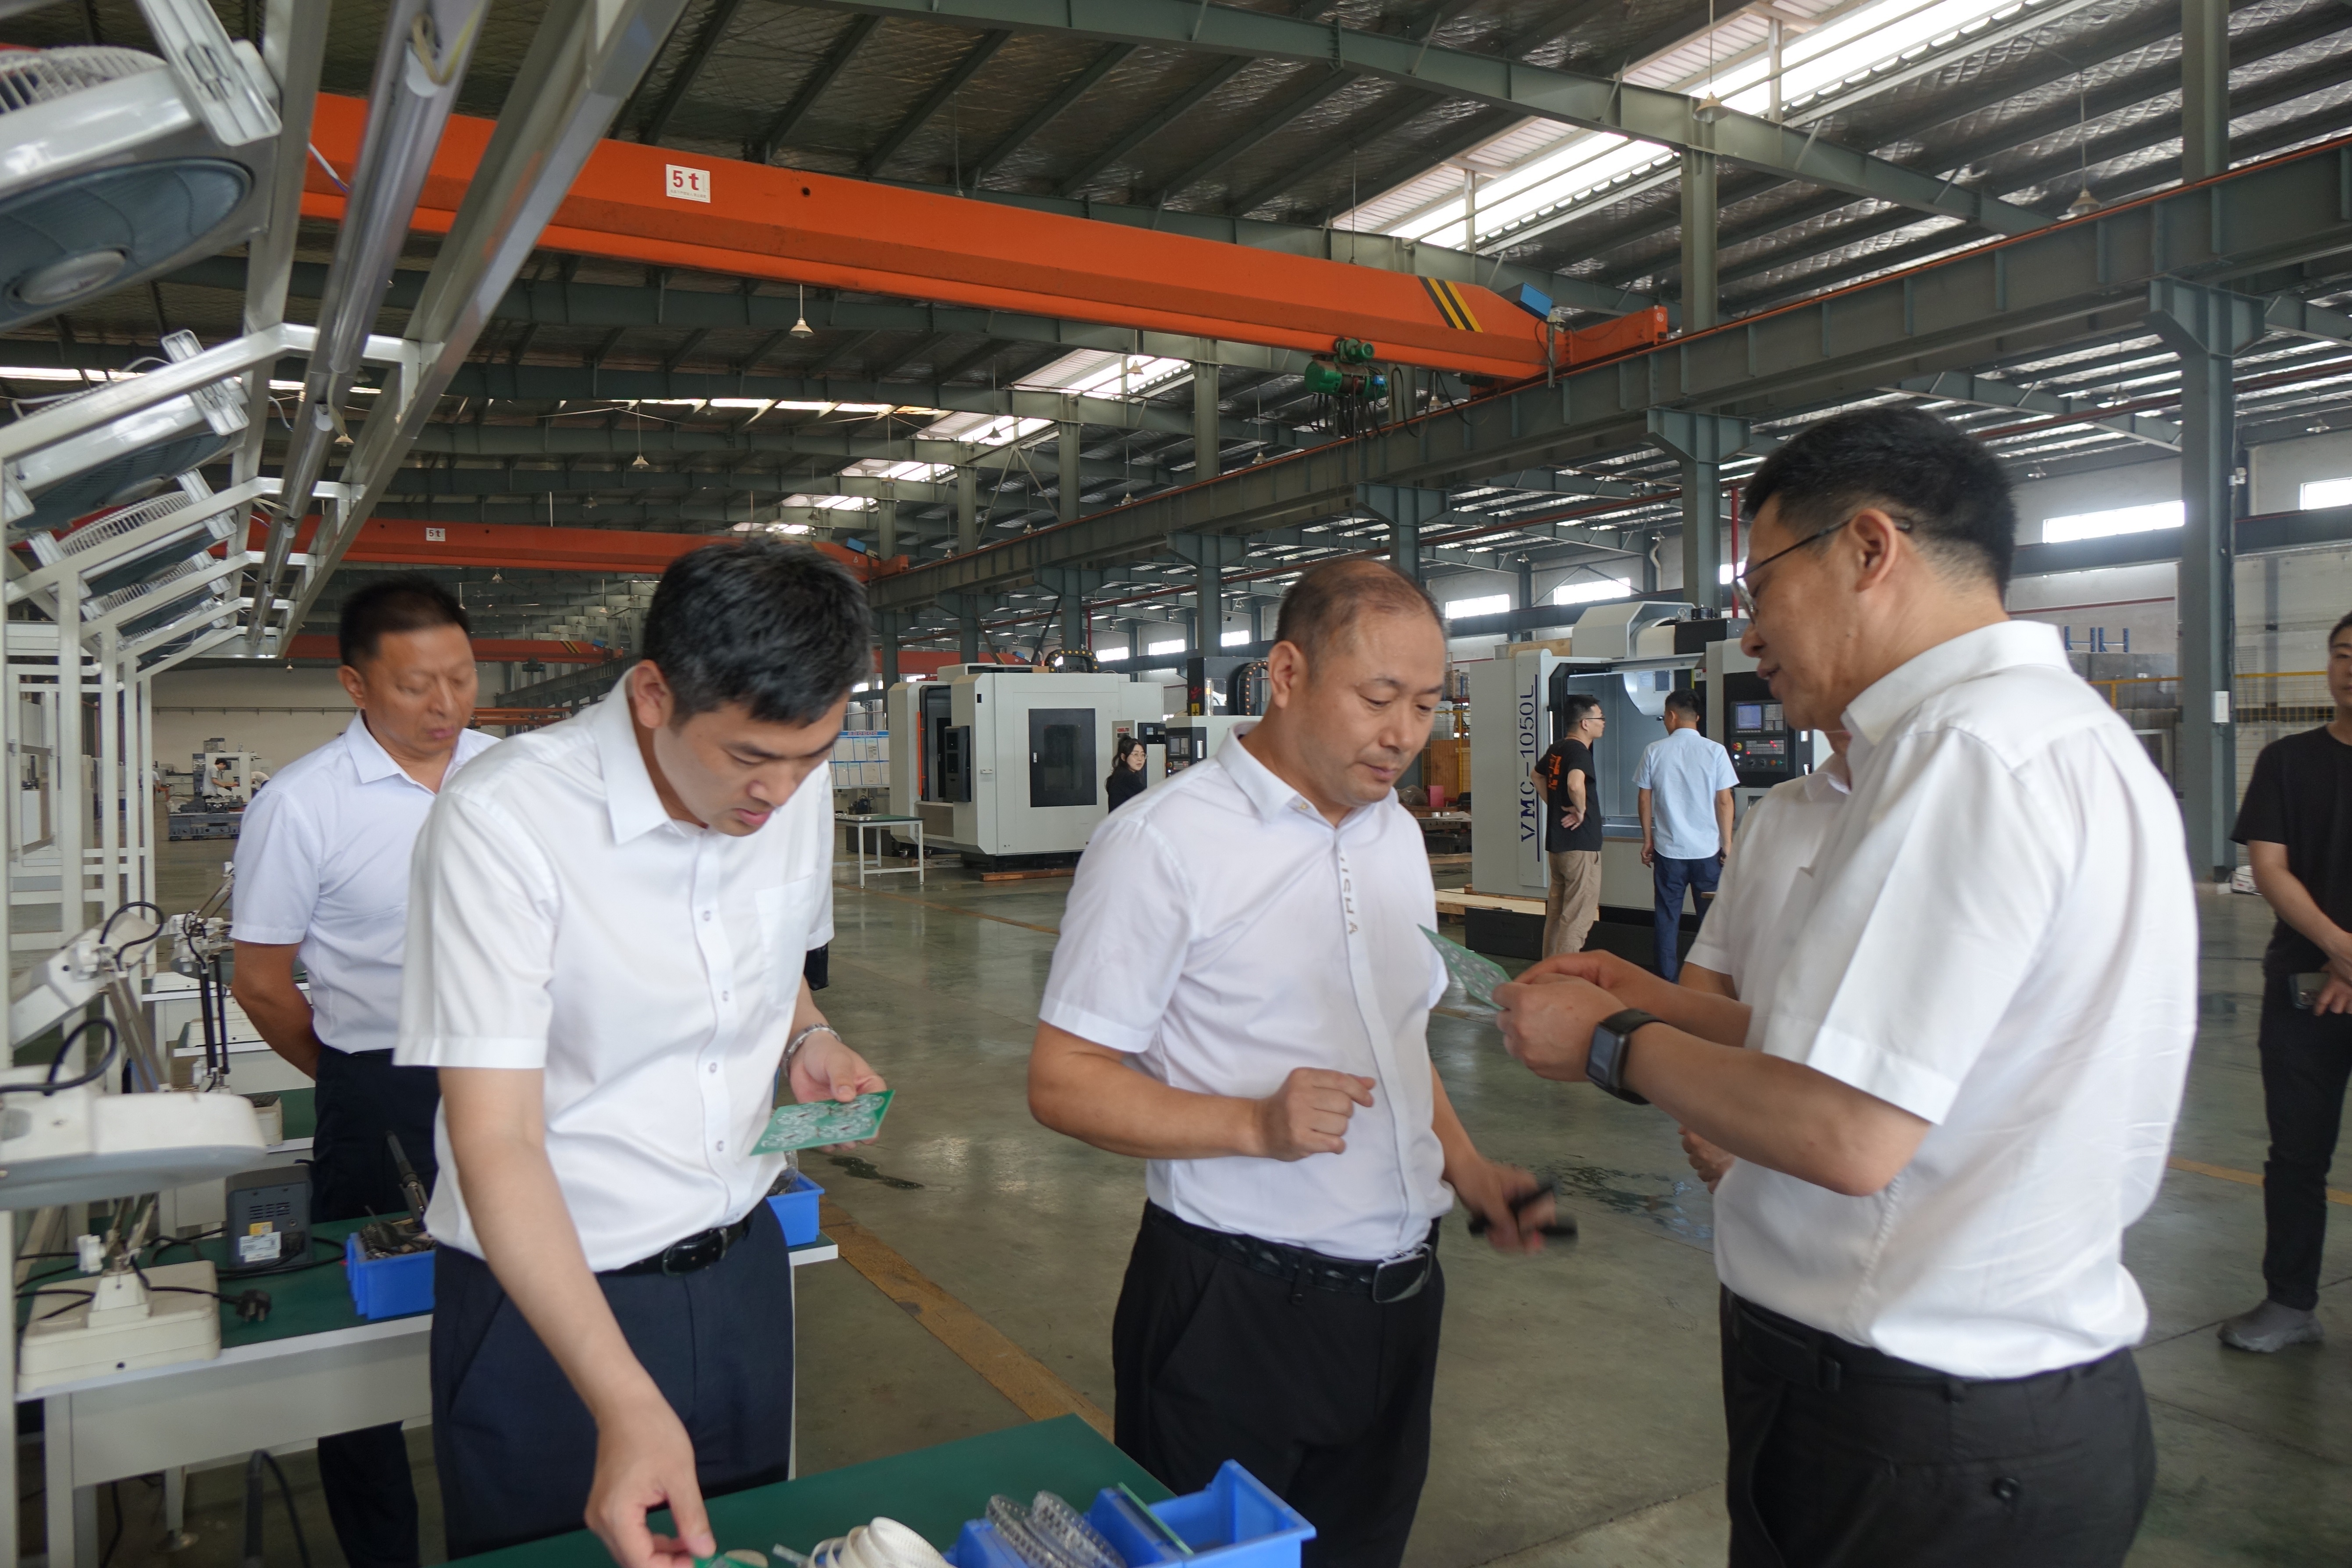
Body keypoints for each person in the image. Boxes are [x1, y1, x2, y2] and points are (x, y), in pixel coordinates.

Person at [1492, 404, 2195, 1568]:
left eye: (1760, 584)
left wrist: (1611, 1043)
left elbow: (1847, 1128)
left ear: (1869, 549)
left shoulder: (1960, 754)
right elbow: (1886, 1051)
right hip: (1995, 1413)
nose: (1749, 630)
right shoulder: (2057, 737)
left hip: (1916, 1431)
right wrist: (1646, 995)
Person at [1028, 559, 1555, 1568]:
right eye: (1377, 697)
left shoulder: (1394, 835)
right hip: (1235, 1308)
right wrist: (1251, 1124)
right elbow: (1063, 1078)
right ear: (1285, 674)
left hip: (1400, 1301)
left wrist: (1467, 1169)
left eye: (1426, 703)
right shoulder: (1162, 844)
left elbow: (1395, 1039)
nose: (1403, 732)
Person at [396, 541, 888, 1565]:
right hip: (552, 1309)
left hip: (742, 1272)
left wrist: (808, 1035)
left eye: (810, 757)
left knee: (742, 1545)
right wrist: (622, 1395)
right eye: (749, 759)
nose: (780, 792)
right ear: (655, 694)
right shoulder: (504, 822)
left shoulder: (790, 783)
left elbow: (778, 963)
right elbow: (496, 1140)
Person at [230, 575, 495, 1568]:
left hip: (513, 1072)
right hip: (377, 1079)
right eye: (416, 684)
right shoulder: (303, 805)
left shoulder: (514, 776)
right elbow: (262, 982)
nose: (445, 704)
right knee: (364, 1332)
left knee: (518, 1301)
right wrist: (350, 1072)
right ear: (355, 684)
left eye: (461, 677)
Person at [2217, 608, 2352, 1354]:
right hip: (2303, 991)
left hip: (2330, 976)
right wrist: (2337, 948)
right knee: (2297, 1154)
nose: (2349, 668)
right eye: (2340, 654)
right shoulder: (2285, 761)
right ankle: (2288, 1302)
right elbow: (2268, 867)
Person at [1675, 728, 1852, 1193]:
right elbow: (1710, 974)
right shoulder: (1778, 809)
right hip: (1750, 1205)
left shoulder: (1968, 820)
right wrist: (1724, 1110)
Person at [1633, 688, 1737, 978]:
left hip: (1669, 854)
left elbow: (1644, 798)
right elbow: (1724, 801)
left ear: (1671, 716)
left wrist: (1648, 840)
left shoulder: (1654, 751)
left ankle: (1667, 982)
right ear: (1697, 718)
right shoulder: (1715, 751)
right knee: (1711, 924)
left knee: (1667, 920)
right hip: (1707, 854)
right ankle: (1711, 982)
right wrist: (1727, 844)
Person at [1531, 691, 1606, 956]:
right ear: (1585, 723)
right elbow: (1575, 784)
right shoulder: (1579, 751)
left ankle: (1548, 972)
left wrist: (1554, 804)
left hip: (1559, 846)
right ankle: (1564, 975)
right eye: (1600, 718)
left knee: (1556, 916)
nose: (1603, 723)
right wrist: (1581, 810)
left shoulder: (1558, 749)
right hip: (1580, 846)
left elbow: (1536, 775)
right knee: (1577, 920)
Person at [1107, 732, 1148, 810]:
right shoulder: (1128, 778)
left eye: (1143, 755)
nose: (1140, 759)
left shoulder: (1118, 775)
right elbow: (1148, 799)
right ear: (1123, 757)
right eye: (1136, 755)